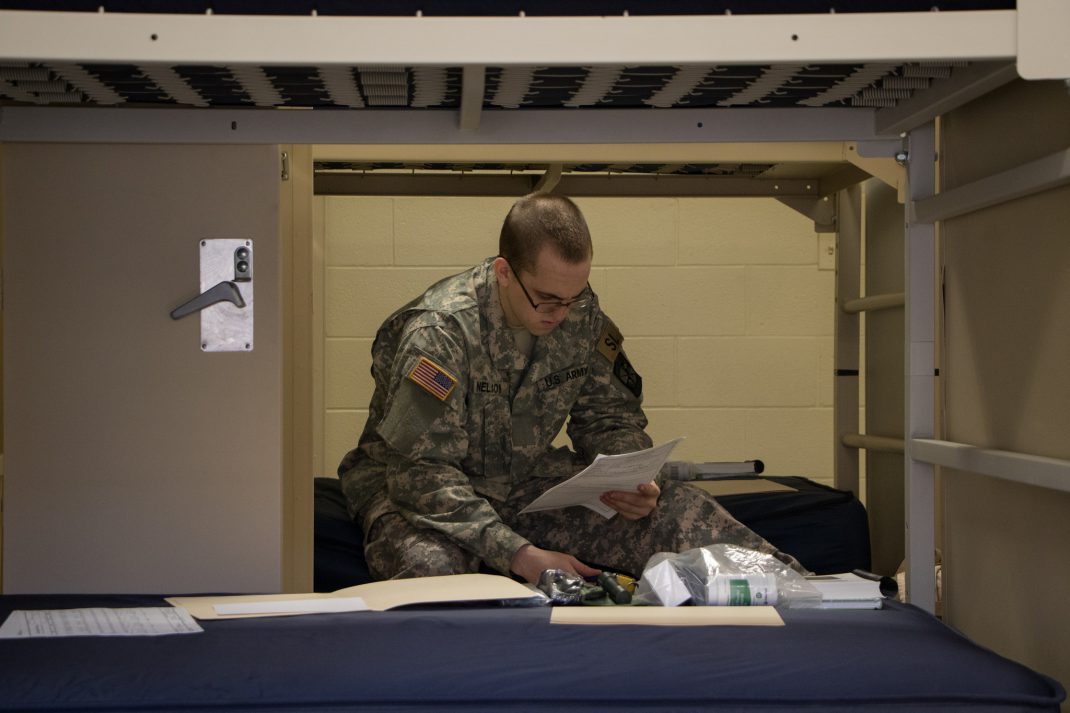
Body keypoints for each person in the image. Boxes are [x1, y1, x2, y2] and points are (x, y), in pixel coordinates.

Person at [337, 193, 802, 583]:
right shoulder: (440, 332)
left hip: (525, 483)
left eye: (573, 297)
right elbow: (421, 476)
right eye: (547, 299)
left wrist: (632, 480)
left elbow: (610, 416)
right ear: (504, 271)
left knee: (683, 514)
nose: (561, 313)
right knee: (433, 571)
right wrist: (518, 554)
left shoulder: (579, 314)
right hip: (418, 493)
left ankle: (807, 596)